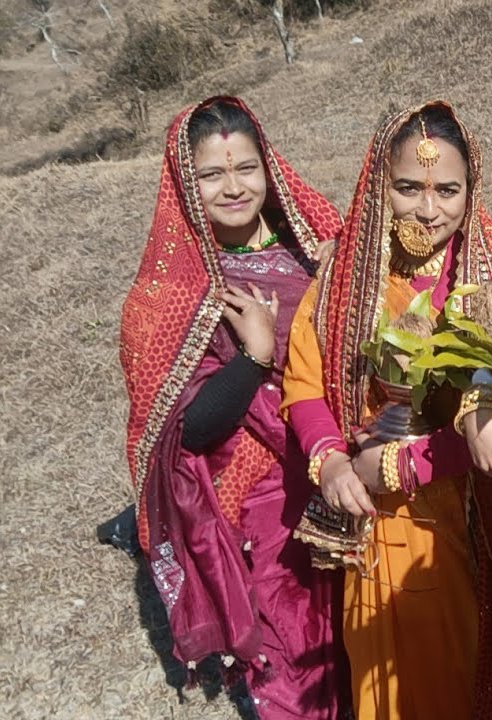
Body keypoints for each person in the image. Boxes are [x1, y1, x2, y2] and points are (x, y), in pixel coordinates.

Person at [280, 101, 492, 720]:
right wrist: (331, 466)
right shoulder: (345, 284)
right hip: (382, 524)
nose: (427, 210)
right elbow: (304, 386)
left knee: (476, 668)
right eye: (408, 187)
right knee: (398, 680)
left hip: (474, 513)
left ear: (471, 190)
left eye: (447, 190)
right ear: (379, 185)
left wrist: (412, 465)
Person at [119, 96, 345, 718]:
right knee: (296, 647)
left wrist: (346, 274)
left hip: (350, 461)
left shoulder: (318, 248)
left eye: (245, 168)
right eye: (211, 175)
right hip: (264, 491)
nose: (233, 187)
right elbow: (186, 430)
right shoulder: (167, 297)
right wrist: (253, 357)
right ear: (184, 186)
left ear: (268, 167)